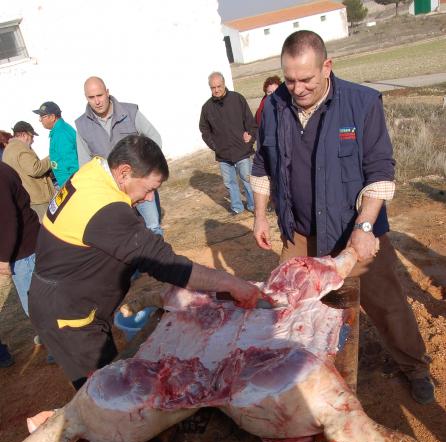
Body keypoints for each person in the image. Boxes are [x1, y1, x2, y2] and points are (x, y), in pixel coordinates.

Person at [251, 29, 434, 405]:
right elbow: (261, 165)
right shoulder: (273, 106)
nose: (297, 89)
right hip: (299, 232)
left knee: (387, 304)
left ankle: (415, 367)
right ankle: (304, 374)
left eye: (306, 79)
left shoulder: (361, 104)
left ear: (327, 67)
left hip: (355, 233)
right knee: (290, 305)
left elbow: (380, 171)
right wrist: (259, 216)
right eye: (290, 80)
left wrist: (365, 226)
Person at [28, 134, 261, 390]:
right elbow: (163, 262)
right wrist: (231, 283)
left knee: (111, 374)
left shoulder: (95, 172)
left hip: (68, 296)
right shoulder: (104, 209)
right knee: (105, 390)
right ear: (124, 172)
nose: (150, 198)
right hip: (68, 313)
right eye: (149, 189)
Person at [75, 76, 162, 236]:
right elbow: (85, 166)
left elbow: (155, 139)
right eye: (91, 97)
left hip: (140, 183)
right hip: (112, 192)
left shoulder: (130, 112)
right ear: (86, 98)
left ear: (107, 92)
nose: (97, 101)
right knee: (125, 234)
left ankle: (158, 253)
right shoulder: (82, 126)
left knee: (153, 227)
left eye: (100, 95)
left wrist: (144, 170)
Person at [199, 71, 257, 216]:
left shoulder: (237, 99)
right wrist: (215, 146)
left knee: (247, 180)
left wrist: (250, 137)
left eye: (219, 86)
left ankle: (253, 206)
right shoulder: (207, 108)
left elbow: (250, 122)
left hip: (242, 150)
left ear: (224, 84)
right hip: (223, 154)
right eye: (213, 87)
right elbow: (204, 129)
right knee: (230, 183)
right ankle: (237, 207)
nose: (216, 90)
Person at [0, 161, 40, 319]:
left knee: (38, 310)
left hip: (24, 253)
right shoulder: (3, 168)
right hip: (25, 250)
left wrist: (3, 259)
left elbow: (7, 220)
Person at [2, 121, 54, 222]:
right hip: (37, 199)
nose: (33, 140)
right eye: (31, 136)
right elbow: (35, 169)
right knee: (47, 226)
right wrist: (52, 157)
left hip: (28, 198)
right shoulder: (20, 149)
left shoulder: (9, 149)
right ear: (24, 135)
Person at [32, 101, 79, 187]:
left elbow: (71, 163)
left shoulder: (60, 134)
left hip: (72, 185)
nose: (40, 120)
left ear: (52, 117)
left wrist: (72, 187)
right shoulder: (59, 131)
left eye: (42, 116)